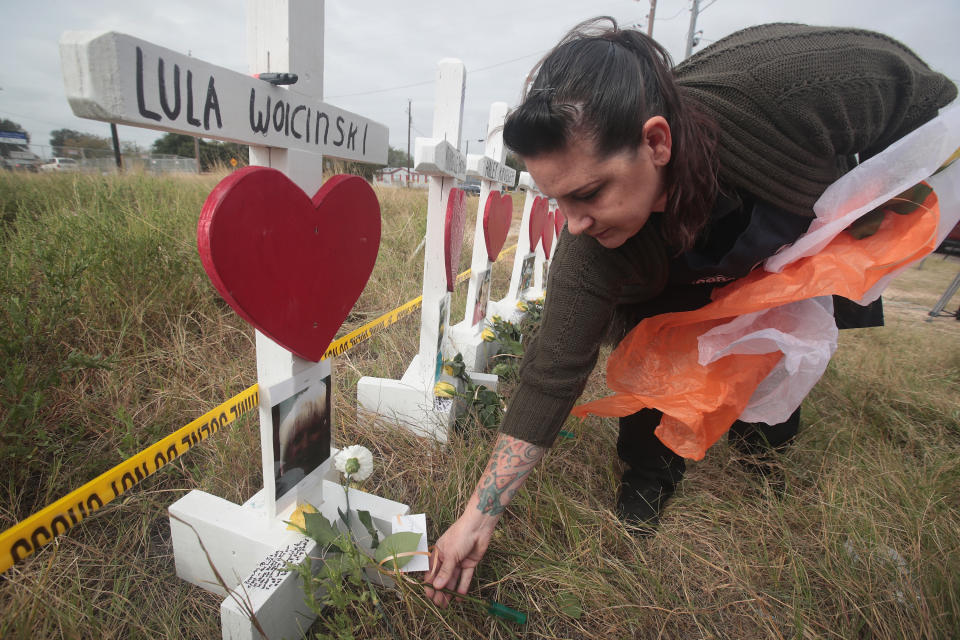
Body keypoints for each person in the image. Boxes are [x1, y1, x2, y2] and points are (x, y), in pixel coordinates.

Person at [425, 18, 956, 607]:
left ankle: (766, 452)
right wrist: (479, 516)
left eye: (589, 192)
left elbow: (929, 102)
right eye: (559, 200)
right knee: (660, 362)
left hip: (781, 236)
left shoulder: (797, 82)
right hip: (675, 270)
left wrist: (882, 201)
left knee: (774, 354)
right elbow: (553, 369)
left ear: (656, 142)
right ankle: (650, 475)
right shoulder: (594, 246)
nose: (572, 224)